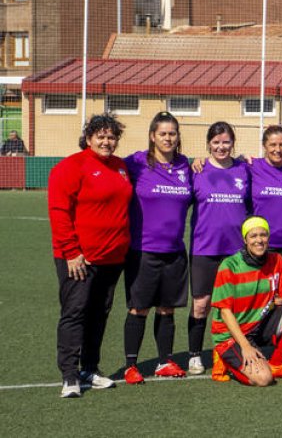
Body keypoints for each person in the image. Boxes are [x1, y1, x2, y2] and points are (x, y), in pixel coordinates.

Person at [49, 114, 133, 398]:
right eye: (101, 136)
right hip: (79, 259)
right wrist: (72, 252)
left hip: (112, 258)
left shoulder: (120, 167)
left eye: (111, 137)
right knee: (75, 314)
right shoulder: (71, 167)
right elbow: (59, 212)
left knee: (99, 315)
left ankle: (91, 368)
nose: (107, 141)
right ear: (89, 138)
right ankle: (70, 376)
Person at [121, 111, 192, 384]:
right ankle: (131, 365)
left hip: (175, 252)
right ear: (152, 136)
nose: (168, 138)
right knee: (139, 308)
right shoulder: (136, 163)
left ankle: (164, 361)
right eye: (162, 133)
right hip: (143, 251)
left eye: (172, 133)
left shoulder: (186, 165)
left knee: (167, 308)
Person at [209, 217, 282, 386]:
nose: (259, 240)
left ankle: (277, 363)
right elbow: (225, 313)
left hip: (259, 325)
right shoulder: (229, 266)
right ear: (245, 240)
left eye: (263, 235)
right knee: (264, 379)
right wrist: (245, 347)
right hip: (231, 335)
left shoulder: (276, 260)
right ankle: (223, 358)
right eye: (253, 236)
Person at [188, 122, 251, 376]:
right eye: (215, 142)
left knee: (234, 305)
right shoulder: (197, 170)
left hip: (236, 252)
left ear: (232, 143)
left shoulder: (244, 170)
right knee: (201, 304)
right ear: (208, 144)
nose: (221, 147)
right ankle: (194, 354)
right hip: (205, 249)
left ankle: (232, 350)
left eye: (225, 142)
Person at [248, 126, 282, 275]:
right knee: (261, 293)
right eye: (272, 145)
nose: (277, 149)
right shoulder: (252, 167)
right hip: (261, 242)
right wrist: (200, 160)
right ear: (264, 145)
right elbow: (228, 167)